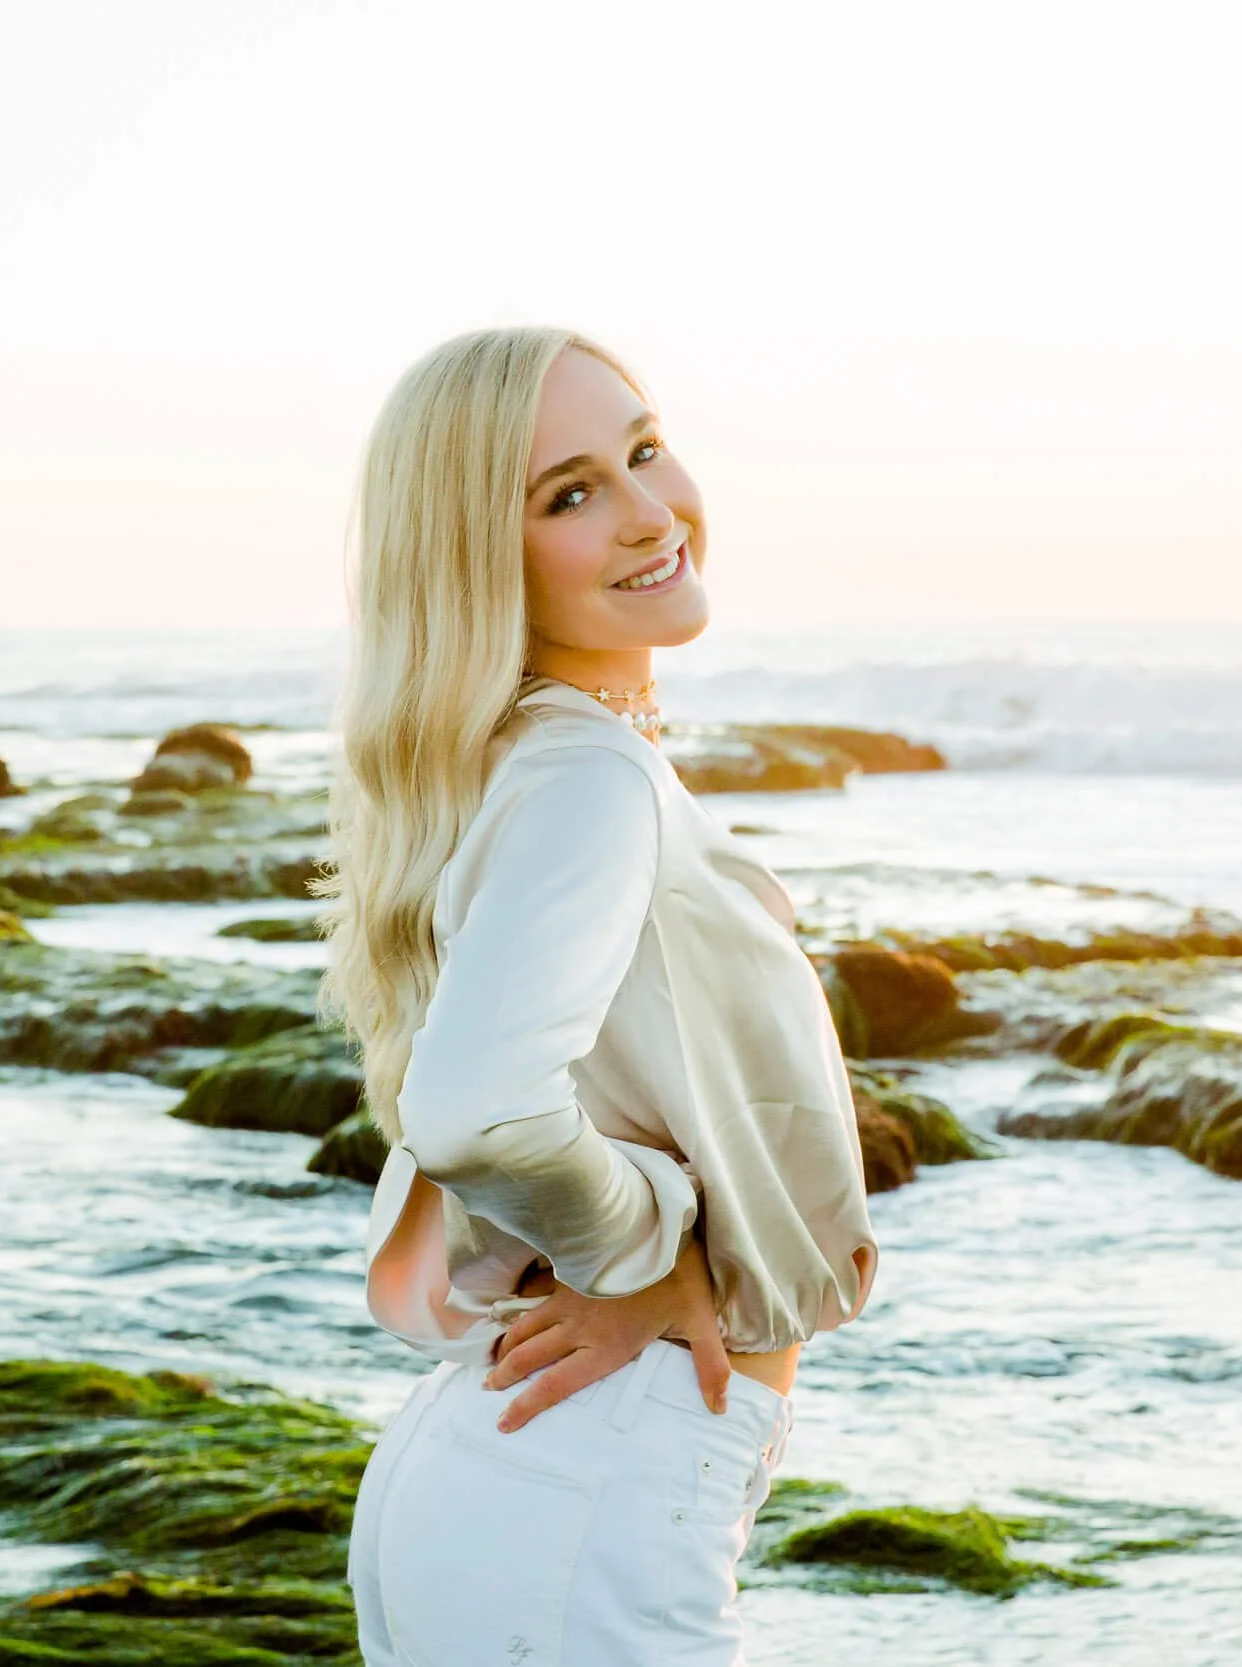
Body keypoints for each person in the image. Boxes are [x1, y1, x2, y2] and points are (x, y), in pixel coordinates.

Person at [313, 325, 880, 1665]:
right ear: (478, 556)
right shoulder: (587, 777)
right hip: (582, 1478)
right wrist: (647, 1249)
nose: (649, 512)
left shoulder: (529, 762)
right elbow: (476, 1109)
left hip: (510, 1472)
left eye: (644, 450)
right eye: (569, 495)